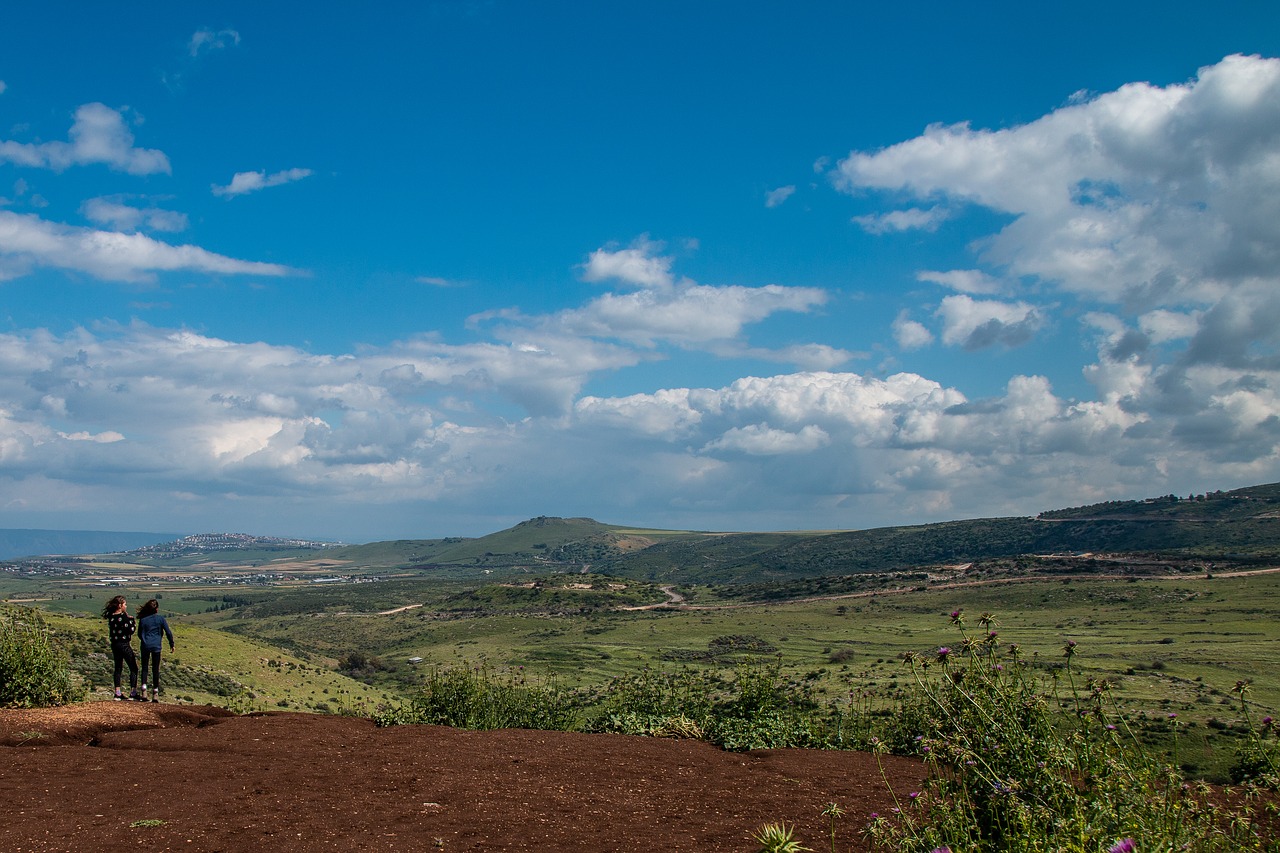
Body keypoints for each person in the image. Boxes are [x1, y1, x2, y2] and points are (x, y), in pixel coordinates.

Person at [101, 595, 141, 700]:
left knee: (118, 668)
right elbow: (131, 630)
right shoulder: (122, 617)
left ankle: (117, 692)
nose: (126, 606)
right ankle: (133, 692)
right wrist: (132, 621)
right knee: (133, 667)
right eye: (124, 604)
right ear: (120, 606)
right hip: (124, 644)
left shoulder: (111, 617)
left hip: (115, 644)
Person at [135, 598, 175, 703]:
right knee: (155, 668)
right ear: (156, 609)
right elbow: (168, 632)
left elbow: (139, 634)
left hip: (145, 645)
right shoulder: (160, 619)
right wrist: (171, 644)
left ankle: (144, 689)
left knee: (144, 667)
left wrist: (144, 640)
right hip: (156, 646)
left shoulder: (143, 620)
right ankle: (155, 692)